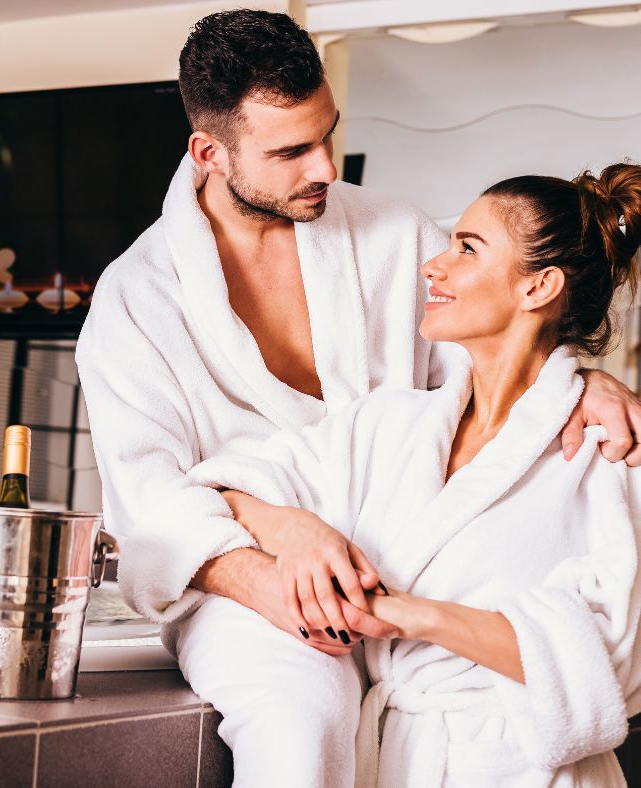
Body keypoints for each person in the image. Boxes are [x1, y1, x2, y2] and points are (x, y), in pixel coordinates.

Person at [76, 9, 641, 786]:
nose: (326, 169)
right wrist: (280, 561)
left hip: (407, 572)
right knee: (302, 717)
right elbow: (148, 505)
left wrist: (581, 379)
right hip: (241, 576)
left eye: (328, 134)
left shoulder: (396, 235)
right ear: (209, 152)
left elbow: (502, 353)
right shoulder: (137, 300)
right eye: (291, 151)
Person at [189, 164, 641, 786]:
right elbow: (223, 490)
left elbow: (611, 657)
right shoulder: (390, 424)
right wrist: (291, 528)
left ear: (539, 286)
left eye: (467, 248)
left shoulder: (612, 452)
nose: (434, 265)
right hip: (398, 760)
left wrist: (408, 615)